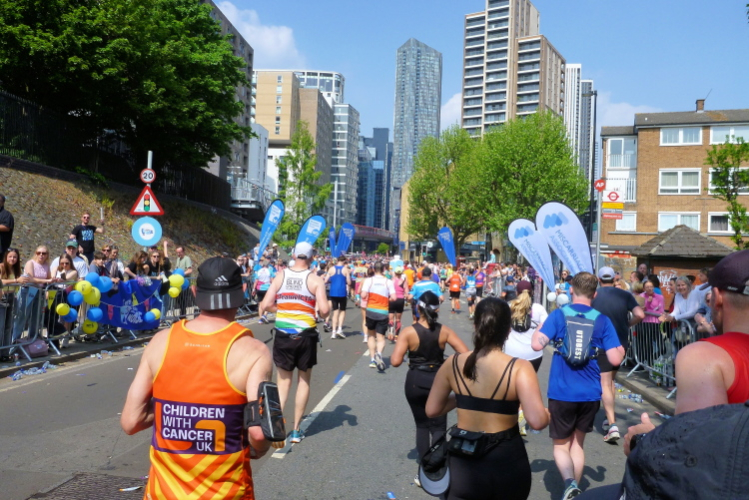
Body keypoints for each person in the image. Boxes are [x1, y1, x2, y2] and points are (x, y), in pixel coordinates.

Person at [121, 256, 272, 498]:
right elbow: (258, 433)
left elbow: (131, 421)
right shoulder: (254, 351)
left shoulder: (161, 341)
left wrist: (177, 411)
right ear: (243, 290)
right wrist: (260, 449)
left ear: (194, 291)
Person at [426, 298, 549, 500]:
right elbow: (537, 421)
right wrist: (548, 414)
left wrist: (464, 398)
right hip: (506, 459)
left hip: (463, 461)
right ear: (508, 330)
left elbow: (432, 409)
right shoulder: (520, 368)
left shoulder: (453, 363)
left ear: (476, 326)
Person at [532, 272, 624, 500]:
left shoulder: (559, 315)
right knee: (578, 444)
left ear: (571, 289)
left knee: (561, 445)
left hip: (561, 391)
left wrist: (540, 329)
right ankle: (574, 493)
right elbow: (615, 359)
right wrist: (620, 350)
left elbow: (536, 345)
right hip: (590, 393)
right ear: (595, 294)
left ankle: (569, 482)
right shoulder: (602, 320)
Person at [391, 291, 468, 487]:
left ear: (418, 308)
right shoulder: (444, 331)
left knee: (422, 425)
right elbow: (465, 354)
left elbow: (395, 361)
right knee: (439, 426)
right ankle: (439, 470)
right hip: (438, 380)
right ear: (437, 310)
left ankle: (424, 472)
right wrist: (449, 362)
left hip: (415, 380)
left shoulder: (408, 332)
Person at [260, 242, 329, 444]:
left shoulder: (280, 276)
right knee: (303, 381)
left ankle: (277, 427)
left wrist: (282, 309)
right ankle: (297, 430)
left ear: (293, 255)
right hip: (305, 334)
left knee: (283, 382)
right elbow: (324, 311)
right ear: (311, 257)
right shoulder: (315, 280)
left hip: (283, 333)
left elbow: (266, 304)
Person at [591, 267, 644, 444]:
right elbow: (640, 314)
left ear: (599, 279)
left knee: (604, 383)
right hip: (621, 343)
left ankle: (612, 425)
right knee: (610, 381)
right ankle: (609, 418)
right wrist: (626, 324)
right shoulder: (625, 295)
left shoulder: (594, 295)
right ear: (614, 279)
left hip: (601, 343)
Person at [504, 280, 548, 436]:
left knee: (511, 385)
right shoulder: (538, 308)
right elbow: (547, 327)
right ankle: (522, 413)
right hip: (533, 354)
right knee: (527, 385)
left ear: (516, 292)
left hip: (511, 353)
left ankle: (512, 416)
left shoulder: (509, 306)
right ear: (532, 292)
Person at [12, 245, 56, 342]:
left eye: (44, 253)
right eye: (38, 253)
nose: (41, 255)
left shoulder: (46, 265)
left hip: (39, 292)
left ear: (47, 255)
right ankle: (14, 340)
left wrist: (53, 280)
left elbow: (49, 278)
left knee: (36, 318)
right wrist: (47, 280)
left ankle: (33, 340)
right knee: (22, 316)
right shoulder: (30, 263)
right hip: (27, 291)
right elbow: (30, 279)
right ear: (35, 253)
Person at [361, 261, 396, 371]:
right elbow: (394, 298)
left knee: (371, 336)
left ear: (373, 269)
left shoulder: (369, 280)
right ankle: (379, 354)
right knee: (380, 338)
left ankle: (372, 359)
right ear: (384, 269)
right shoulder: (388, 281)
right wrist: (386, 299)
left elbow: (363, 295)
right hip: (383, 312)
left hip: (371, 311)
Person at [325, 255, 351, 339]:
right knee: (342, 311)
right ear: (344, 261)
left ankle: (333, 332)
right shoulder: (345, 269)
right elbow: (349, 282)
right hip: (342, 292)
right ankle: (339, 329)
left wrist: (332, 280)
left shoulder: (331, 269)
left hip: (333, 292)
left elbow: (326, 280)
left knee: (335, 311)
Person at [388, 266, 409, 338]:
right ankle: (396, 335)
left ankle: (390, 333)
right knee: (398, 319)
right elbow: (406, 292)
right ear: (401, 273)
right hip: (400, 300)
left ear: (395, 273)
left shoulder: (391, 281)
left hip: (392, 299)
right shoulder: (403, 281)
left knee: (391, 318)